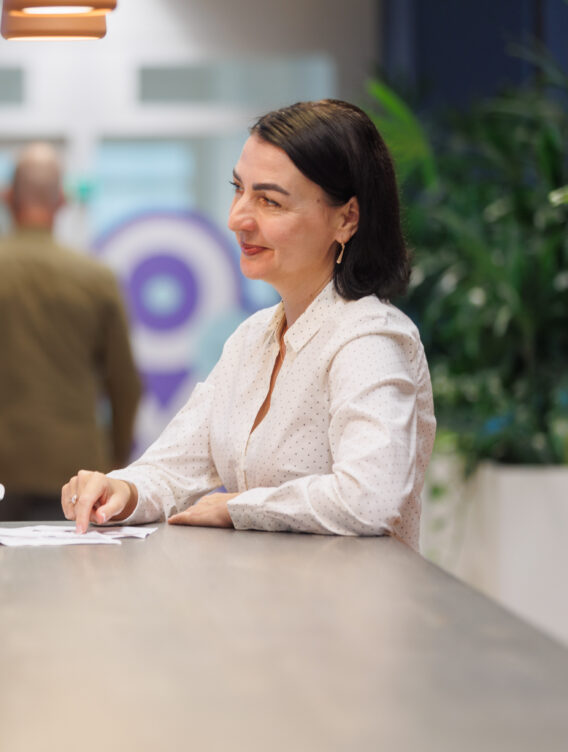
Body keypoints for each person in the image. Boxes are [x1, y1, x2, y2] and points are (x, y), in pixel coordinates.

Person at [62, 99, 436, 550]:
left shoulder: (367, 338)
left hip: (344, 614)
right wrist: (122, 491)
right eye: (238, 189)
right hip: (266, 605)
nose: (237, 218)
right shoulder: (252, 338)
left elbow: (370, 497)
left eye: (269, 201)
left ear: (346, 217)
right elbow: (174, 467)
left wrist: (237, 506)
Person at [0, 142, 141, 521]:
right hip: (75, 472)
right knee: (70, 578)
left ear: (7, 196)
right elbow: (124, 383)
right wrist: (113, 465)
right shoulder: (95, 278)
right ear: (61, 200)